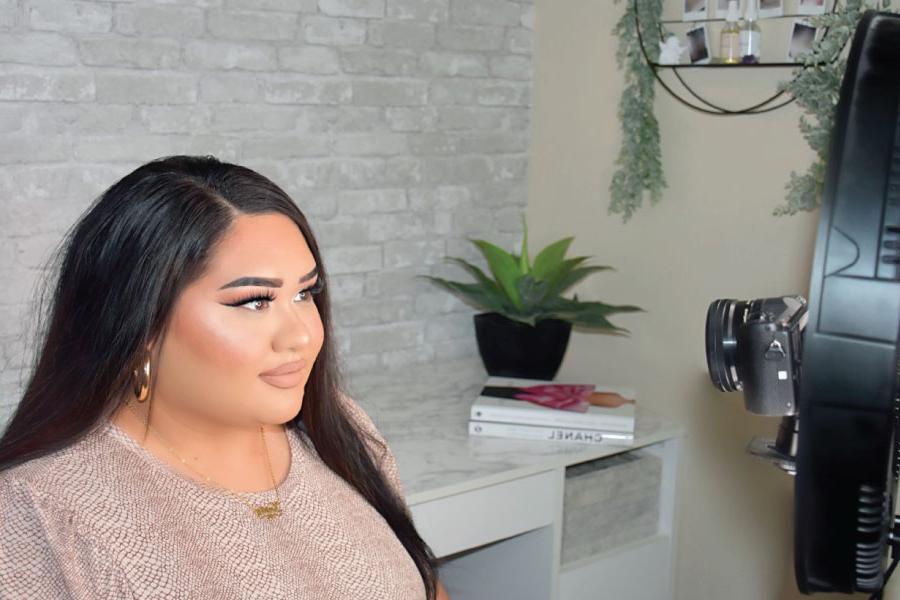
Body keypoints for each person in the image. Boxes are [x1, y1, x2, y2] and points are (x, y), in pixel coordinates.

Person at [0, 155, 450, 600]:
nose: (303, 335)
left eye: (305, 293)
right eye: (254, 301)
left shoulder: (337, 429)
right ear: (140, 323)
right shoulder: (41, 511)